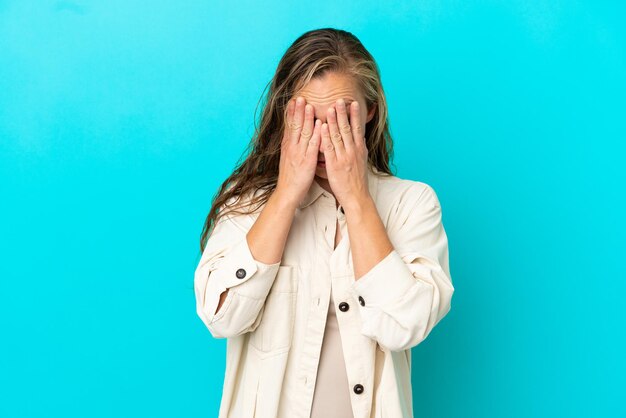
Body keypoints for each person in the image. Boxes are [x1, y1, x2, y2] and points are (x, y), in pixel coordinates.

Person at [194, 27, 455, 418]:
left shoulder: (411, 204)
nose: (323, 137)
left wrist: (356, 196)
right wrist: (285, 196)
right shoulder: (247, 202)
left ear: (370, 111)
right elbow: (221, 317)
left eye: (340, 117)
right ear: (286, 114)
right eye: (308, 117)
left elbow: (405, 326)